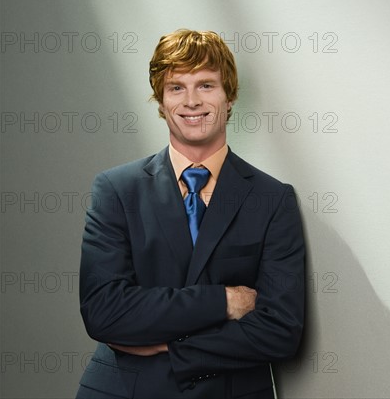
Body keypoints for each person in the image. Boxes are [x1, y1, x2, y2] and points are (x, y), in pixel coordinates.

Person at [76, 29, 305, 398]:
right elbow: (105, 311)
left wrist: (172, 347)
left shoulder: (272, 199)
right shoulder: (117, 191)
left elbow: (280, 330)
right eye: (176, 88)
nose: (192, 101)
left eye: (206, 85)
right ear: (161, 102)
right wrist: (225, 301)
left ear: (229, 98)